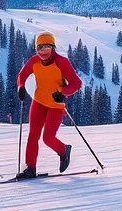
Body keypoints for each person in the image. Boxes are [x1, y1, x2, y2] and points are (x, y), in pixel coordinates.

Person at [15, 32, 82, 179]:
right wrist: (20, 86)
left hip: (56, 104)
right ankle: (30, 168)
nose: (42, 52)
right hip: (38, 101)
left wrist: (64, 93)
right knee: (33, 136)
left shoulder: (61, 62)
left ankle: (64, 150)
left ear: (53, 47)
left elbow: (77, 83)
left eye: (46, 48)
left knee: (48, 138)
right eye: (39, 48)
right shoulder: (34, 61)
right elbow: (22, 75)